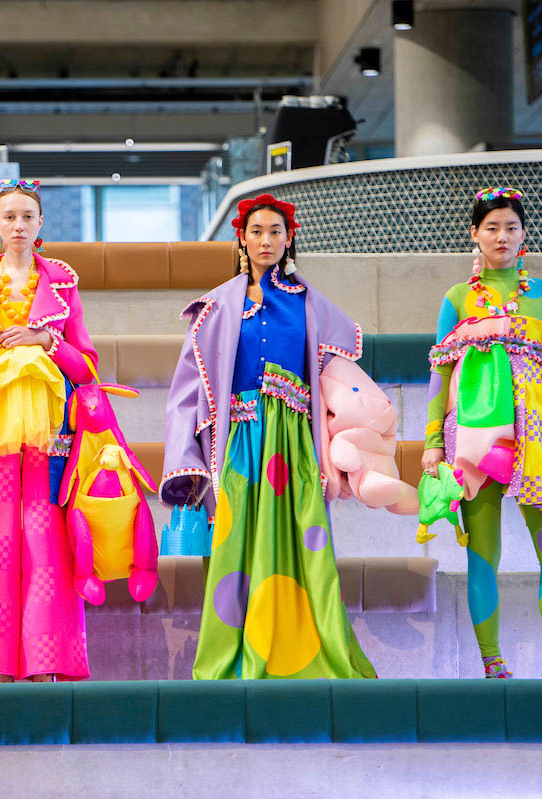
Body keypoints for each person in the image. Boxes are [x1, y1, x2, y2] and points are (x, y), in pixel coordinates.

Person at [161, 193, 377, 680]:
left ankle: (305, 653)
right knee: (236, 543)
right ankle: (236, 654)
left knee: (304, 544)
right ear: (241, 237)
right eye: (256, 231)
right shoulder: (215, 306)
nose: (265, 240)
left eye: (275, 231)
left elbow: (337, 375)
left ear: (289, 238)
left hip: (295, 443)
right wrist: (191, 460)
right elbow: (187, 390)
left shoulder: (310, 304)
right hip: (239, 440)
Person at [0, 179, 97, 682]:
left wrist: (46, 341)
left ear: (41, 225)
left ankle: (45, 661)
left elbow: (86, 367)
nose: (18, 226)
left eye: (27, 217)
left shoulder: (62, 287)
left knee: (44, 542)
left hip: (48, 438)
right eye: (9, 216)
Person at [421, 186, 542, 680]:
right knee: (483, 555)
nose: (502, 236)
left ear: (523, 233)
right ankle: (493, 663)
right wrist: (431, 443)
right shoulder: (456, 298)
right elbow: (439, 374)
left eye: (511, 226)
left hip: (538, 434)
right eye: (492, 227)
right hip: (473, 436)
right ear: (475, 234)